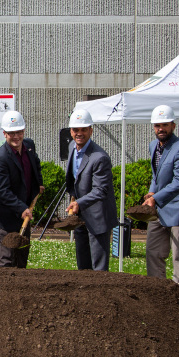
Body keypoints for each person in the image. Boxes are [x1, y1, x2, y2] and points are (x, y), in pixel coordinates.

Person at [142, 105, 179, 289]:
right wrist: (152, 192)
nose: (161, 129)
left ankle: (178, 297)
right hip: (160, 207)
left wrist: (155, 198)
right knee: (153, 251)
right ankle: (158, 292)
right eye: (157, 125)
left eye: (165, 125)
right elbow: (156, 175)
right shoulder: (154, 146)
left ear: (173, 126)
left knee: (178, 255)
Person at [0, 111, 45, 268]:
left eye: (19, 132)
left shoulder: (29, 146)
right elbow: (1, 190)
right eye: (11, 133)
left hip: (23, 212)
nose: (16, 136)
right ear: (4, 133)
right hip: (6, 216)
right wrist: (21, 208)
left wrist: (39, 183)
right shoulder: (1, 158)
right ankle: (3, 291)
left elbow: (36, 164)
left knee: (21, 256)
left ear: (24, 131)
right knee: (6, 258)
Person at [65, 108, 118, 271]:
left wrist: (79, 203)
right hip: (80, 214)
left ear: (91, 131)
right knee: (83, 264)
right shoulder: (72, 147)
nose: (79, 133)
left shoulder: (99, 157)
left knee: (99, 267)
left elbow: (101, 190)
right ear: (71, 131)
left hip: (98, 216)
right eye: (76, 130)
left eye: (83, 129)